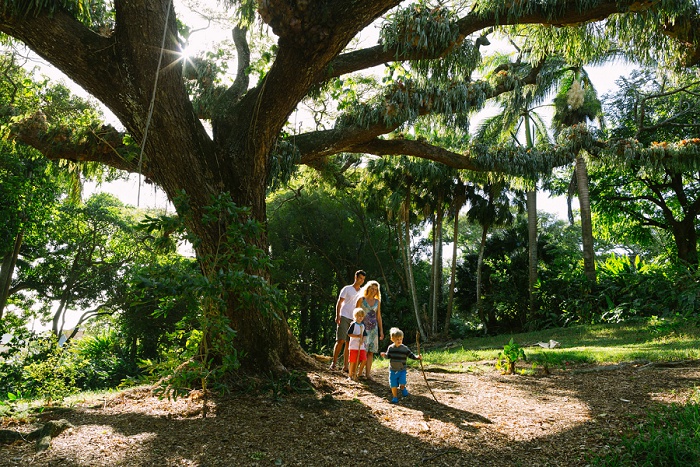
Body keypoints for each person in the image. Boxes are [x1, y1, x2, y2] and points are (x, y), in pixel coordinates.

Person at [330, 269, 366, 372]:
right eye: (360, 278)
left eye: (363, 279)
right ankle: (334, 363)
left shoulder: (362, 291)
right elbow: (339, 302)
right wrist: (337, 316)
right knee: (340, 340)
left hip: (354, 319)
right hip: (344, 315)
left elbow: (360, 305)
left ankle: (346, 366)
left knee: (348, 342)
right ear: (356, 277)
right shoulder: (347, 289)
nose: (361, 281)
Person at [380, 327, 421, 404]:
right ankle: (395, 397)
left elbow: (410, 355)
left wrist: (417, 357)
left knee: (402, 382)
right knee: (393, 384)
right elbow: (388, 356)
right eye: (397, 339)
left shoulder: (404, 348)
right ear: (392, 339)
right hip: (393, 370)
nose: (399, 341)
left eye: (400, 339)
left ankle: (403, 388)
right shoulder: (391, 348)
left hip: (402, 369)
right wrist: (384, 355)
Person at [355, 280, 384, 381]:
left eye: (376, 289)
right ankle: (356, 373)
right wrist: (355, 328)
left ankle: (368, 374)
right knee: (362, 351)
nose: (373, 291)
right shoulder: (361, 300)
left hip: (373, 330)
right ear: (368, 288)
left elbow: (379, 316)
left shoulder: (377, 302)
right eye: (372, 288)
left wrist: (381, 331)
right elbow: (355, 314)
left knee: (370, 352)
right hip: (362, 329)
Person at [346, 307, 367, 381]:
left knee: (364, 359)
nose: (360, 318)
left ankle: (359, 373)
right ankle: (350, 375)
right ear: (355, 316)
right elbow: (349, 334)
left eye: (362, 316)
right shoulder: (353, 324)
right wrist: (357, 336)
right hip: (353, 346)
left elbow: (365, 335)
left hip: (361, 347)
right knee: (352, 361)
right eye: (359, 316)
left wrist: (362, 340)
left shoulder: (363, 325)